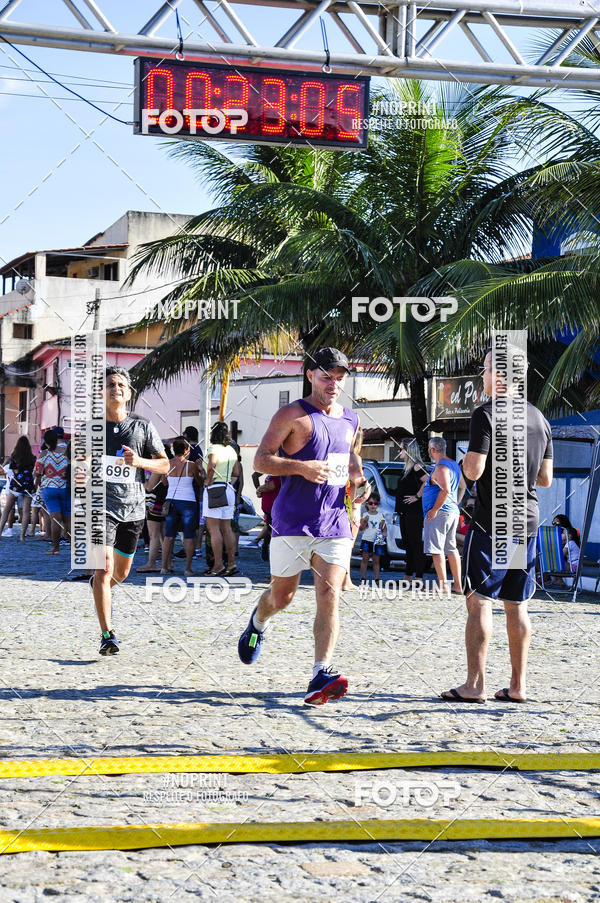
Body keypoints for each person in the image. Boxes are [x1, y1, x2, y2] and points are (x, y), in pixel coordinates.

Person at [237, 347, 365, 706]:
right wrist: (302, 468)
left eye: (340, 378)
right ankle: (257, 623)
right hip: (292, 520)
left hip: (335, 523)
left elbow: (353, 462)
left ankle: (320, 673)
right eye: (327, 376)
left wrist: (361, 483)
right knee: (283, 598)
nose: (334, 384)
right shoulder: (292, 414)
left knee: (329, 596)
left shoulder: (351, 419)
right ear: (310, 375)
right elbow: (262, 459)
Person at [441, 345, 553, 704]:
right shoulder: (539, 418)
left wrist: (462, 463)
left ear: (501, 375)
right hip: (526, 520)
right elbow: (546, 478)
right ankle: (518, 686)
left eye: (487, 368)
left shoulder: (486, 414)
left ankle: (475, 685)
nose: (483, 375)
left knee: (480, 601)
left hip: (492, 523)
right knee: (517, 605)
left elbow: (474, 470)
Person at [90, 367, 169, 655]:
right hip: (101, 507)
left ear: (129, 393)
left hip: (134, 508)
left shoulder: (143, 426)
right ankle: (107, 634)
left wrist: (138, 462)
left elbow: (164, 465)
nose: (116, 388)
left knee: (120, 573)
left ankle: (101, 587)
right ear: (102, 392)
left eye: (121, 384)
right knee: (104, 567)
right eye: (110, 384)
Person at [423, 438, 464, 593]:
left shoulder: (440, 467)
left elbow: (445, 490)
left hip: (440, 513)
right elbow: (462, 487)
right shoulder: (454, 465)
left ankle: (443, 585)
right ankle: (458, 585)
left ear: (432, 450)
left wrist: (434, 509)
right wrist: (455, 503)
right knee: (451, 548)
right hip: (451, 511)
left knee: (436, 549)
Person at [161, 437, 203, 577]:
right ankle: (188, 569)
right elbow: (199, 481)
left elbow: (164, 483)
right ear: (186, 450)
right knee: (189, 536)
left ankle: (164, 567)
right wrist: (199, 469)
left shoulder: (168, 464)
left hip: (171, 501)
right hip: (188, 502)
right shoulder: (190, 465)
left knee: (168, 536)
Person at [203, 421, 240, 577]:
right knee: (227, 528)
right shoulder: (231, 450)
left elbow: (211, 466)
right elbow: (236, 472)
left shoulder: (213, 449)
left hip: (214, 489)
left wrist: (208, 481)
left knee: (214, 529)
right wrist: (227, 483)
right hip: (228, 489)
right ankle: (231, 563)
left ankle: (218, 565)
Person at [394, 438, 428, 580]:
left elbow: (429, 481)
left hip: (414, 512)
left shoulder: (417, 466)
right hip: (404, 512)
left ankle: (419, 576)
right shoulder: (407, 468)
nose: (399, 451)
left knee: (415, 544)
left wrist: (417, 496)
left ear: (409, 450)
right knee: (407, 544)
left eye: (401, 448)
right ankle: (408, 575)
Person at [137, 442, 173, 574]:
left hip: (154, 502)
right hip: (165, 502)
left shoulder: (158, 467)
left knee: (154, 535)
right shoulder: (169, 464)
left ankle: (151, 563)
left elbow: (149, 487)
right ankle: (168, 563)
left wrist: (141, 478)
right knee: (164, 535)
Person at [34, 430, 70, 554]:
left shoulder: (44, 454)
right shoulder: (67, 452)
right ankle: (76, 549)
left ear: (46, 441)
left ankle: (56, 548)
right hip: (65, 488)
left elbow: (37, 472)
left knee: (55, 519)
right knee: (68, 520)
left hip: (49, 488)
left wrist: (36, 484)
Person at [0, 436, 36, 541]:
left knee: (7, 509)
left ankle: (0, 531)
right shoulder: (32, 458)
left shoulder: (14, 457)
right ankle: (22, 536)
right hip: (28, 486)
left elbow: (14, 471)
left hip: (16, 486)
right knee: (25, 511)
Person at [359, 494, 387, 582]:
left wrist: (385, 532)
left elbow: (384, 526)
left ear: (378, 504)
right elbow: (361, 528)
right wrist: (364, 521)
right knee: (365, 559)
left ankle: (377, 578)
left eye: (375, 503)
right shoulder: (365, 514)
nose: (373, 505)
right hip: (366, 540)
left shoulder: (380, 515)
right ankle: (363, 577)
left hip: (377, 541)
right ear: (367, 504)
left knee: (376, 560)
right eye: (371, 503)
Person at [548, 514, 580, 587]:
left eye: (557, 523)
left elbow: (561, 555)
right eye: (553, 523)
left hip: (573, 565)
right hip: (574, 564)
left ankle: (558, 580)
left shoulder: (570, 540)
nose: (554, 525)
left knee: (556, 560)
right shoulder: (569, 539)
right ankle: (556, 580)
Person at [255, 473, 281, 561]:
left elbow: (271, 486)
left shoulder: (279, 472)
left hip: (276, 508)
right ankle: (266, 547)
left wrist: (259, 489)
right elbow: (254, 475)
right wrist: (259, 490)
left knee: (272, 531)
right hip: (268, 508)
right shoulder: (271, 470)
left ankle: (270, 550)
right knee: (270, 529)